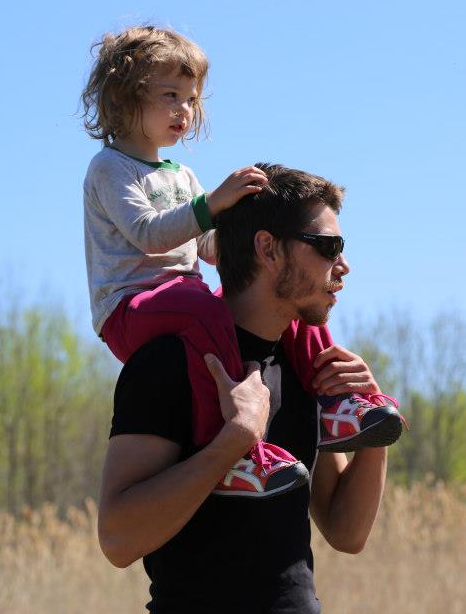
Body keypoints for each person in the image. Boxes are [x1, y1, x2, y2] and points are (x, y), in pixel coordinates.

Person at [80, 25, 402, 498]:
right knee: (203, 304)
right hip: (128, 308)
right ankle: (234, 447)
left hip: (182, 301)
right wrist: (213, 204)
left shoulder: (181, 174)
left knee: (290, 307)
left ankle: (338, 406)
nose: (184, 110)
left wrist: (243, 234)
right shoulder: (110, 168)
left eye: (191, 99)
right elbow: (148, 235)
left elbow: (207, 247)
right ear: (124, 97)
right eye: (170, 94)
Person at [98, 163, 391, 613]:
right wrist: (231, 444)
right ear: (268, 249)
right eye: (328, 246)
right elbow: (118, 539)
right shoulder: (169, 362)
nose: (344, 265)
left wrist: (373, 430)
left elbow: (346, 531)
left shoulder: (304, 366)